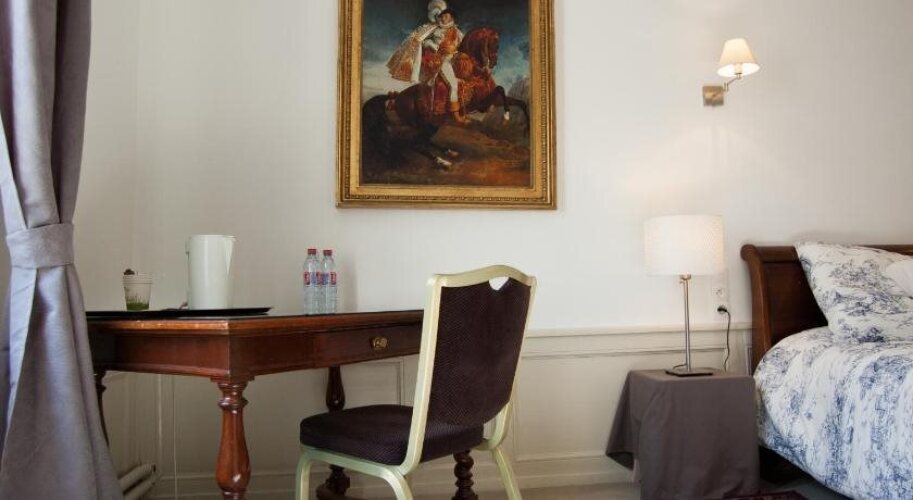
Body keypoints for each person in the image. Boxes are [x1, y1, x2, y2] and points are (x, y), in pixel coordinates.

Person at [387, 2, 468, 124]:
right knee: (453, 85)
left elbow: (463, 46)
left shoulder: (457, 32)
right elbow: (421, 41)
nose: (443, 18)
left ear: (451, 17)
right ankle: (456, 115)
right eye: (441, 16)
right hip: (440, 61)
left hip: (455, 60)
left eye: (445, 16)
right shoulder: (435, 30)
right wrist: (431, 45)